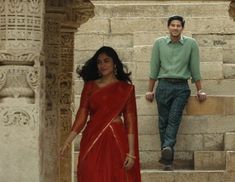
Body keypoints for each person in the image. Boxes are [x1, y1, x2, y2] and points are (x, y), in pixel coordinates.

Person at [60, 46, 141, 182]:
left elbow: (130, 122)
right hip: (92, 138)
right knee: (89, 173)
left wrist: (132, 153)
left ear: (114, 63)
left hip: (116, 141)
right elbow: (81, 116)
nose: (102, 65)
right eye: (99, 62)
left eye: (106, 61)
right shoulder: (90, 86)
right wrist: (67, 142)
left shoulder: (126, 89)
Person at [145, 15, 207, 170]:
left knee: (174, 118)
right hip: (163, 86)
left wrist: (200, 90)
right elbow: (154, 68)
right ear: (168, 27)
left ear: (182, 28)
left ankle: (166, 147)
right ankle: (167, 161)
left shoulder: (191, 44)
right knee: (162, 122)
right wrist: (149, 90)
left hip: (181, 87)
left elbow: (195, 70)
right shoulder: (159, 43)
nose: (175, 28)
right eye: (172, 25)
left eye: (178, 25)